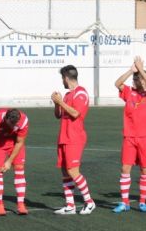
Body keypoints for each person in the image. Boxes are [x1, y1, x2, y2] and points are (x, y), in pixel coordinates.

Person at [112, 56, 146, 213]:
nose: (136, 81)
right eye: (135, 79)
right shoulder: (128, 93)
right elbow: (117, 84)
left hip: (145, 138)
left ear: (144, 81)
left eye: (139, 79)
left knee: (145, 170)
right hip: (129, 137)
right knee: (125, 169)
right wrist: (130, 71)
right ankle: (124, 203)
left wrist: (142, 71)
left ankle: (142, 202)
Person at [51, 65, 96, 215]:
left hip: (74, 138)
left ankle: (89, 202)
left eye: (62, 78)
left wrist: (61, 102)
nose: (62, 81)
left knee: (72, 170)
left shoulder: (81, 93)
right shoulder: (67, 95)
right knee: (65, 171)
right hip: (64, 136)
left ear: (66, 78)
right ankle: (70, 206)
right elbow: (58, 115)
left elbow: (76, 113)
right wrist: (57, 103)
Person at [0, 108, 29, 216]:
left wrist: (9, 161)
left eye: (14, 125)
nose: (12, 127)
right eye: (10, 124)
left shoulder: (23, 121)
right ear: (5, 118)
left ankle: (21, 204)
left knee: (19, 169)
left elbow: (19, 142)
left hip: (14, 143)